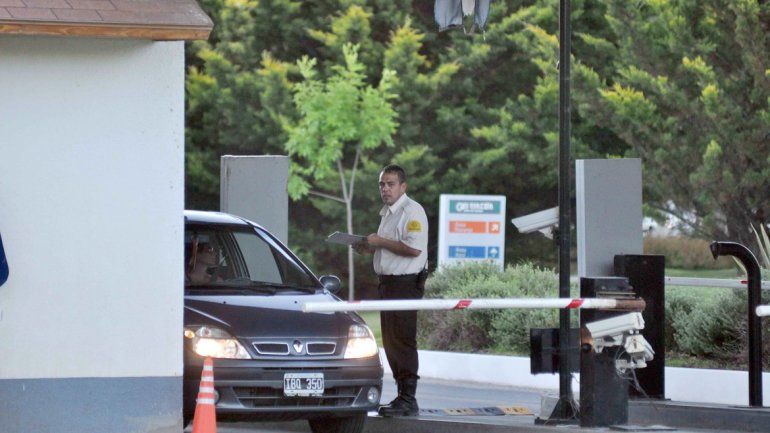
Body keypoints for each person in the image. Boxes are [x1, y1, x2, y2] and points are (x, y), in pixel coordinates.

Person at [355, 164, 428, 417]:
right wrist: (369, 247)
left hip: (405, 283)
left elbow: (413, 249)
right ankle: (402, 396)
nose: (385, 189)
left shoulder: (412, 211)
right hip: (389, 283)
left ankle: (409, 399)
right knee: (391, 340)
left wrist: (379, 242)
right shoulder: (388, 212)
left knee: (403, 340)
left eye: (390, 184)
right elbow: (390, 246)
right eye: (382, 184)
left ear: (403, 186)